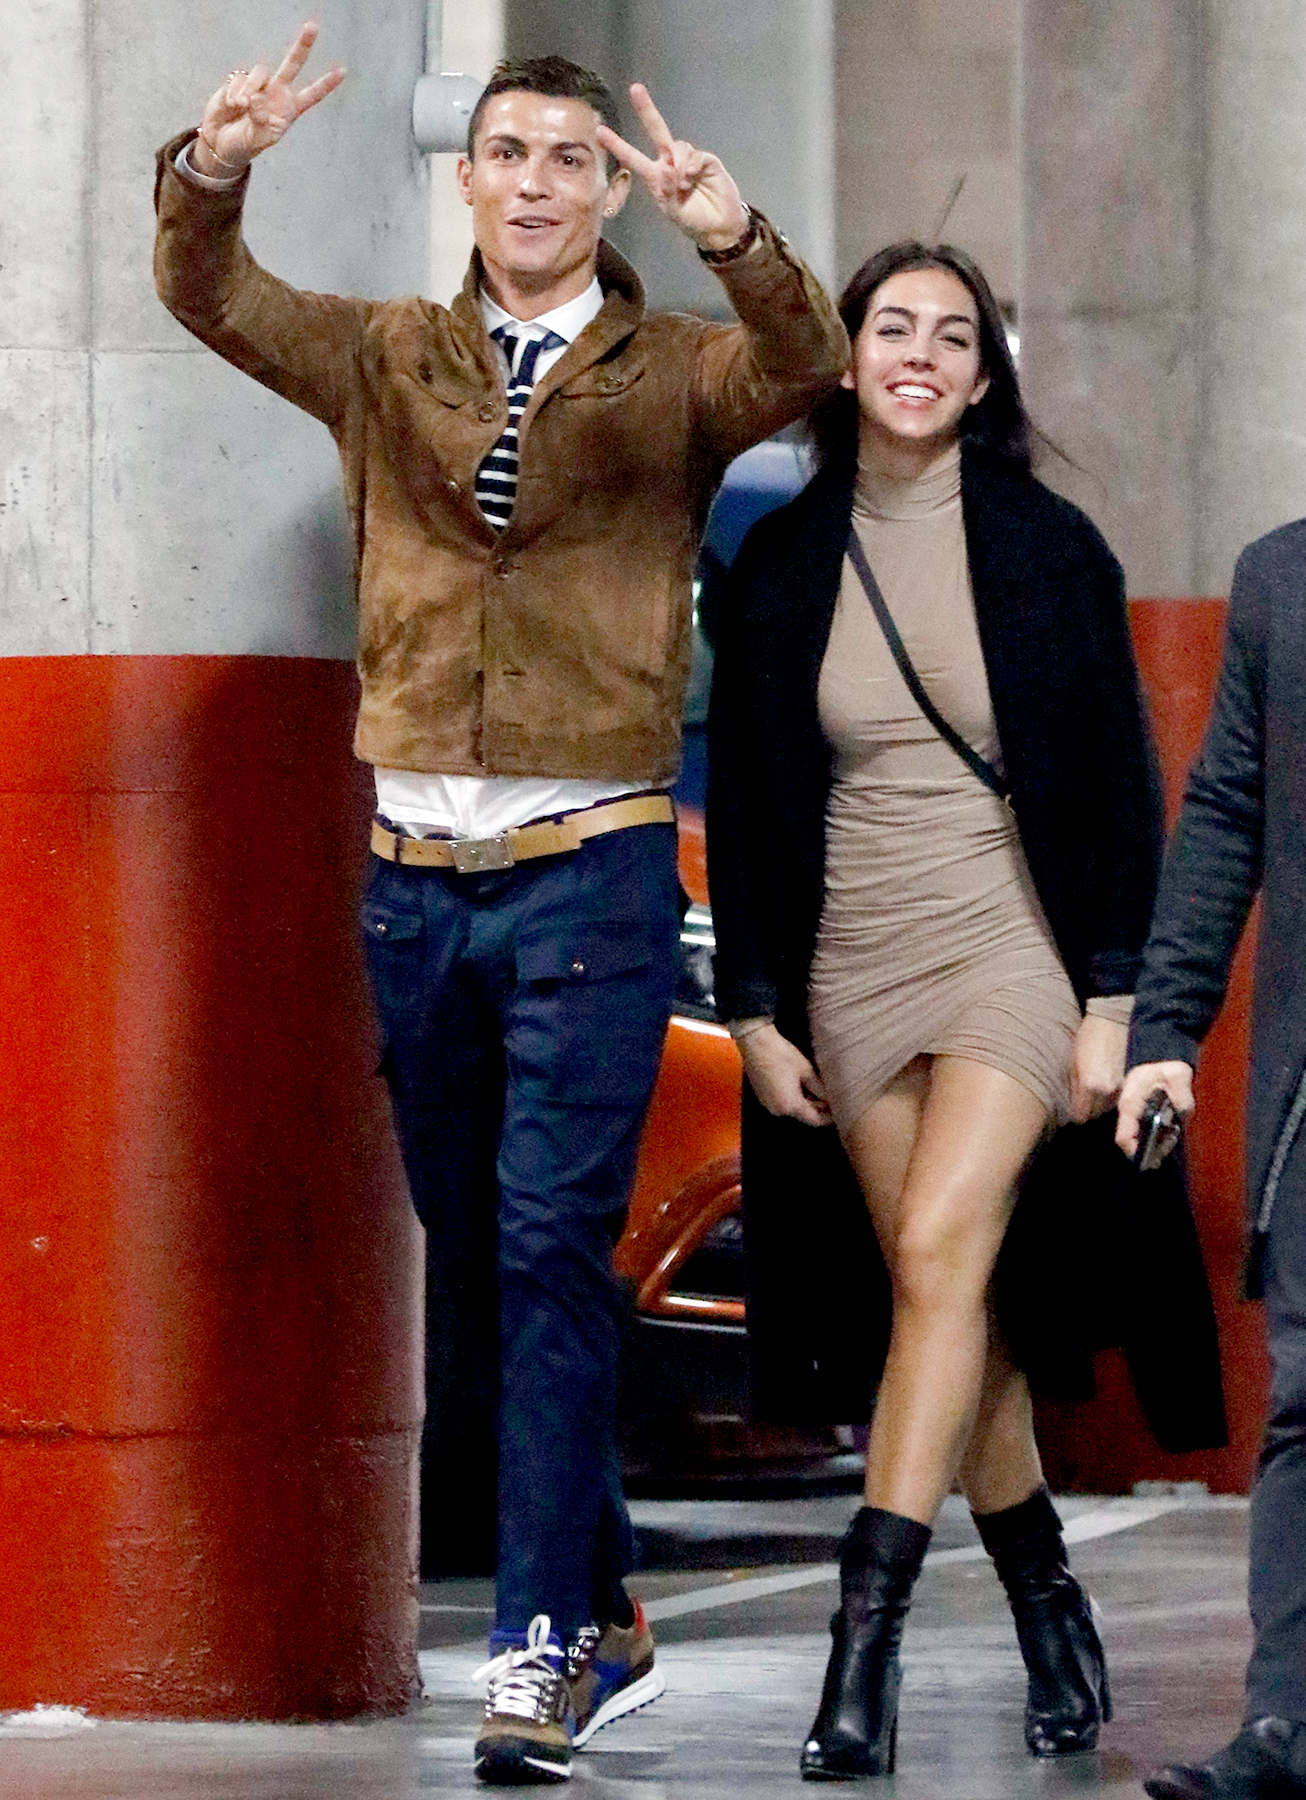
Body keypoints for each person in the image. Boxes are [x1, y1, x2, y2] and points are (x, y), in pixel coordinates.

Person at [153, 25, 847, 1786]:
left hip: (591, 874)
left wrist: (733, 230)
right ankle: (603, 1601)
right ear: (464, 178)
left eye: (568, 159)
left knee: (549, 1253)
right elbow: (212, 295)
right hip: (413, 889)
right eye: (509, 152)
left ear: (604, 190)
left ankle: (540, 1649)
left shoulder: (675, 369)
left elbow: (809, 358)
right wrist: (214, 163)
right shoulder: (386, 357)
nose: (534, 181)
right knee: (484, 1254)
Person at [706, 241, 1179, 1780]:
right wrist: (758, 1007)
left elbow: (1121, 787)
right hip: (852, 957)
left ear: (983, 377)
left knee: (933, 1254)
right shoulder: (779, 565)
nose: (918, 352)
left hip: (1009, 939)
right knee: (947, 1304)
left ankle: (863, 1653)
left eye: (951, 334)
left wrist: (1115, 998)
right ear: (846, 362)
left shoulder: (1054, 552)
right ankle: (1049, 1599)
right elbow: (757, 808)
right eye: (890, 327)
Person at [1118, 519, 1306, 1800]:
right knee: (1304, 1405)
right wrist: (1166, 1027)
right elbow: (1226, 806)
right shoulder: (1279, 579)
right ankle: (1287, 1725)